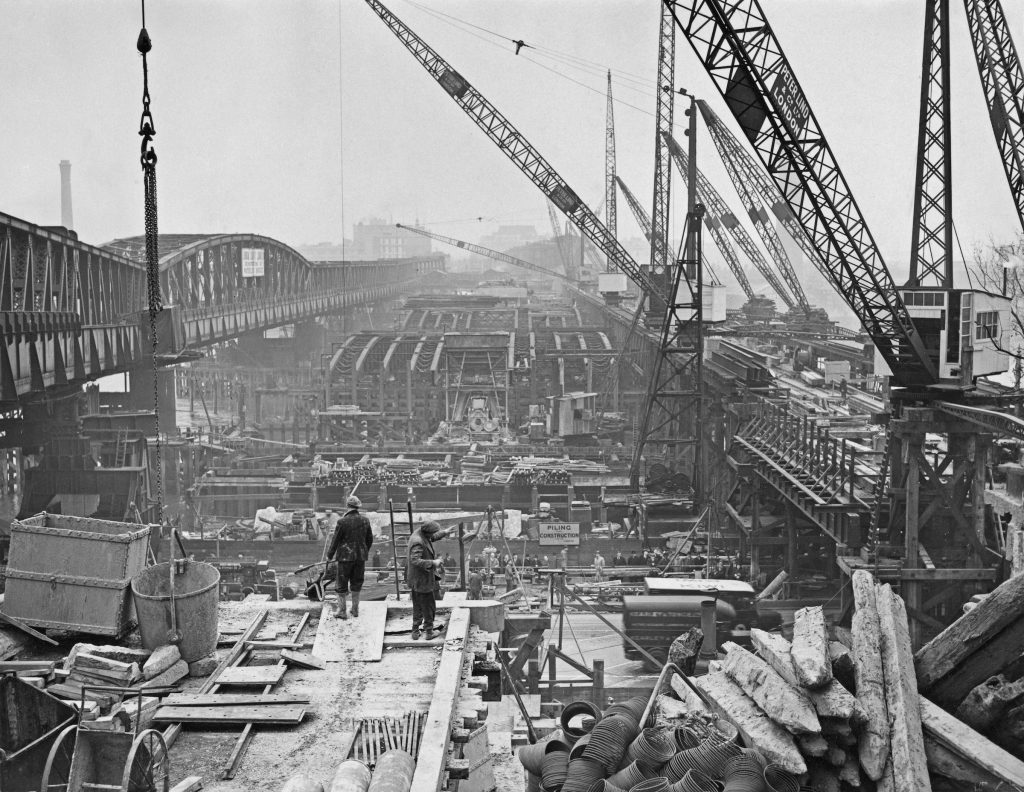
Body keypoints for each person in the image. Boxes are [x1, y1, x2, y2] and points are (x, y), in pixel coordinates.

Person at [326, 495, 374, 620]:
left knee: (341, 584)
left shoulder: (342, 521)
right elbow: (370, 539)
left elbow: (335, 540)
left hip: (345, 558)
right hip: (360, 558)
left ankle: (342, 611)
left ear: (347, 506)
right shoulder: (365, 520)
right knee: (357, 583)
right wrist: (363, 551)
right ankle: (355, 609)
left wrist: (329, 555)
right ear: (358, 507)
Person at [407, 520, 445, 640]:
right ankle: (429, 632)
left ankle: (415, 631)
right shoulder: (418, 541)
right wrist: (433, 562)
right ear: (427, 532)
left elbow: (432, 538)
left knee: (417, 605)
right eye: (432, 533)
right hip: (422, 579)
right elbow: (415, 560)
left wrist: (445, 532)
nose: (432, 536)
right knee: (429, 606)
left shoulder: (420, 534)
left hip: (415, 579)